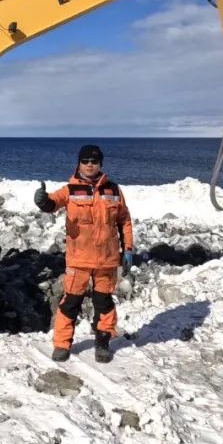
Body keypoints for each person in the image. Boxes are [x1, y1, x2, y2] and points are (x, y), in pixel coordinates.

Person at [34, 144, 133, 363]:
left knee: (104, 303)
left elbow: (124, 221)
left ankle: (103, 343)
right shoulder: (70, 189)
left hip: (106, 261)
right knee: (70, 302)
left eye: (94, 161)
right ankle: (62, 344)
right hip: (78, 260)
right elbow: (52, 203)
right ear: (79, 163)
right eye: (85, 161)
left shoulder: (114, 191)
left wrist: (127, 250)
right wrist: (42, 200)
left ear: (100, 164)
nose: (90, 165)